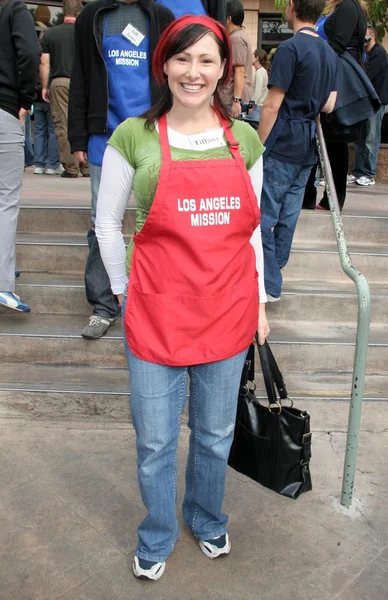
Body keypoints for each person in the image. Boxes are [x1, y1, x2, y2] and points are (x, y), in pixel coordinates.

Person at [96, 15, 269, 581]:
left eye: (206, 60)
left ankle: (206, 516)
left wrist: (260, 302)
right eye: (182, 59)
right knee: (154, 442)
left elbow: (251, 230)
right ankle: (158, 533)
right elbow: (106, 225)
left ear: (223, 69)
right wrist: (124, 293)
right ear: (163, 65)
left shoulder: (243, 139)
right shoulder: (133, 136)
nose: (193, 72)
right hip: (156, 313)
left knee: (216, 435)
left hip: (226, 310)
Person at [68, 0, 174, 340]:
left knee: (161, 220)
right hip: (104, 135)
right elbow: (81, 77)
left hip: (153, 134)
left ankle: (157, 298)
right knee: (101, 223)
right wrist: (77, 135)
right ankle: (103, 305)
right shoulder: (91, 16)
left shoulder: (161, 17)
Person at [258, 0, 338, 301]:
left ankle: (270, 281)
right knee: (288, 216)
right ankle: (274, 271)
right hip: (308, 145)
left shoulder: (289, 49)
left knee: (264, 217)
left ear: (291, 7)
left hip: (282, 140)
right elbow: (329, 105)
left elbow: (271, 106)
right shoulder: (330, 53)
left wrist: (258, 146)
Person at [0, 0, 41, 313]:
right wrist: (27, 98)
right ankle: (2, 285)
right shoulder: (14, 10)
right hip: (4, 109)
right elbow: (29, 52)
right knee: (6, 200)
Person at [315, 0, 368, 210]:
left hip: (339, 78)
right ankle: (332, 198)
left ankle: (333, 199)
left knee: (335, 141)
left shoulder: (347, 7)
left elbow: (338, 44)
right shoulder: (349, 7)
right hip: (340, 76)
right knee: (334, 141)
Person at [40, 0, 88, 179]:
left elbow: (44, 62)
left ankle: (71, 167)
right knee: (85, 121)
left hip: (60, 81)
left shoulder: (51, 34)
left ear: (62, 11)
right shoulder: (86, 33)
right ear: (79, 11)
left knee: (63, 124)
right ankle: (87, 167)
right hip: (84, 81)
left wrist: (45, 86)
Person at [347, 24, 388, 187]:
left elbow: (366, 76)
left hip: (375, 102)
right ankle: (359, 171)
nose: (363, 41)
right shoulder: (366, 55)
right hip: (366, 103)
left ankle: (369, 173)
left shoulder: (378, 54)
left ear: (373, 36)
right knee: (361, 138)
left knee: (371, 138)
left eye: (365, 38)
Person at [220, 0, 253, 118]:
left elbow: (239, 70)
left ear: (228, 18)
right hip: (232, 99)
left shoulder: (236, 39)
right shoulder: (238, 36)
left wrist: (236, 101)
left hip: (231, 100)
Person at [33, 75, 62, 175]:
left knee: (39, 131)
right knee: (53, 131)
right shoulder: (53, 59)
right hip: (51, 95)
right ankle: (52, 165)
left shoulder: (38, 59)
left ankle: (39, 164)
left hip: (37, 95)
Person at [247, 49, 269, 122]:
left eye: (252, 56)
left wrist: (252, 105)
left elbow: (258, 92)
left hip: (257, 108)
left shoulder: (260, 72)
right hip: (260, 107)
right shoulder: (262, 71)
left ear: (257, 58)